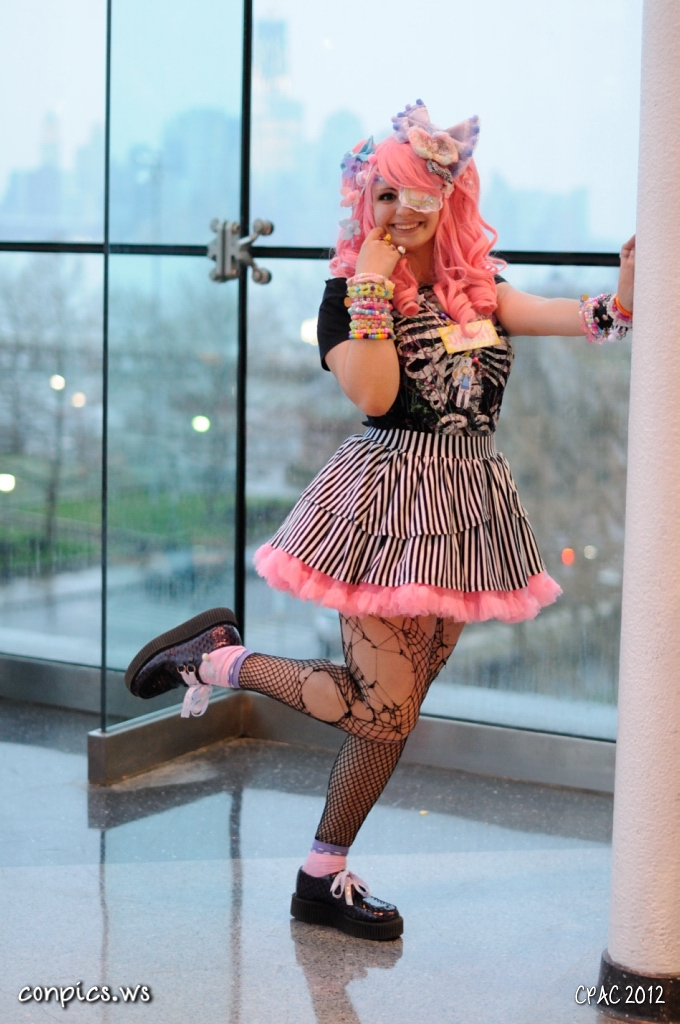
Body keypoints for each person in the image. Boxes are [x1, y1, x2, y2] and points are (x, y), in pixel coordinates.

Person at [125, 100, 635, 942]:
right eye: (382, 196)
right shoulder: (346, 297)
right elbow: (373, 392)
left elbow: (579, 320)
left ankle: (319, 876)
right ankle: (217, 661)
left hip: (465, 513)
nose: (397, 212)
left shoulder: (477, 290)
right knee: (383, 711)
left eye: (412, 194)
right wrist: (368, 275)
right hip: (387, 508)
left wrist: (623, 294)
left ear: (447, 195)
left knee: (394, 709)